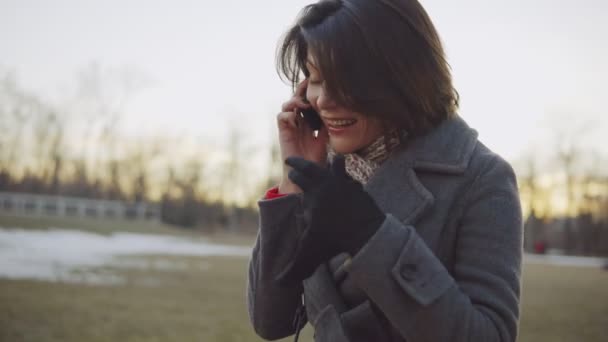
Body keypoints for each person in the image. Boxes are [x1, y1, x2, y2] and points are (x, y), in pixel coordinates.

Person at [246, 0, 523, 341]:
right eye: (315, 79)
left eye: (346, 79)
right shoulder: (325, 173)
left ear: (403, 75)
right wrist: (294, 182)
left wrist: (371, 234)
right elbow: (270, 322)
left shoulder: (482, 178)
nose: (324, 100)